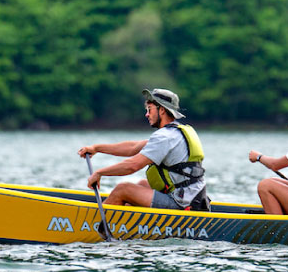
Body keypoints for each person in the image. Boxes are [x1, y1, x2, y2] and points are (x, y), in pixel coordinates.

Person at [78, 87, 209, 211]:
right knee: (141, 184)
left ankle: (94, 225)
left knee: (123, 189)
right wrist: (96, 148)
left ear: (162, 110)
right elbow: (132, 147)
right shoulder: (175, 133)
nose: (146, 114)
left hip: (183, 203)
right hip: (195, 199)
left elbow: (132, 166)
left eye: (149, 109)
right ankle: (125, 224)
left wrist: (99, 173)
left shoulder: (164, 137)